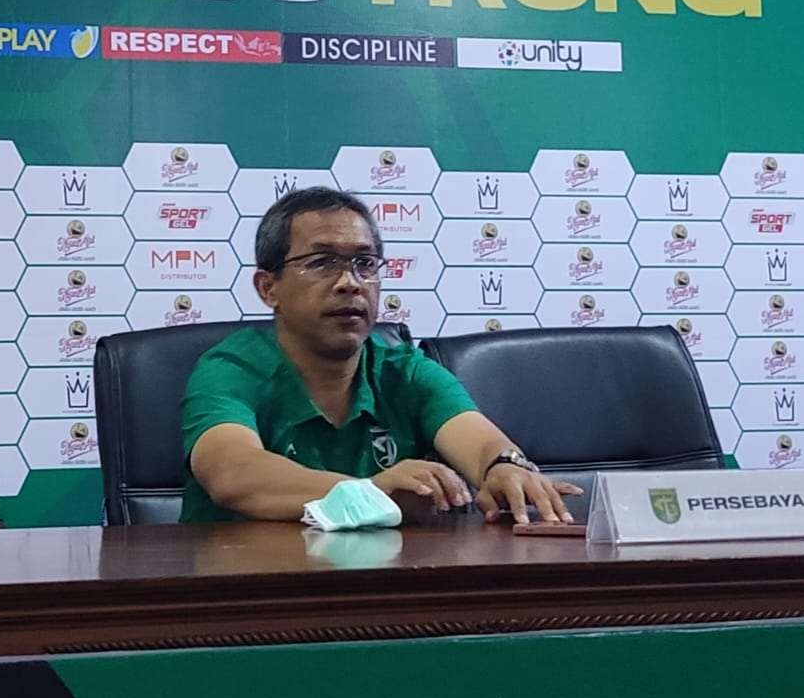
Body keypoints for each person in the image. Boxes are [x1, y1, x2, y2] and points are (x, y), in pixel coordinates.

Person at [181, 186, 580, 524]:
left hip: (386, 596)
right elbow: (231, 471)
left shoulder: (403, 369)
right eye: (321, 263)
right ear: (269, 288)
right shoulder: (232, 368)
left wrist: (504, 468)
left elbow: (480, 443)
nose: (349, 283)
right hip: (251, 594)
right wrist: (370, 492)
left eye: (365, 264)